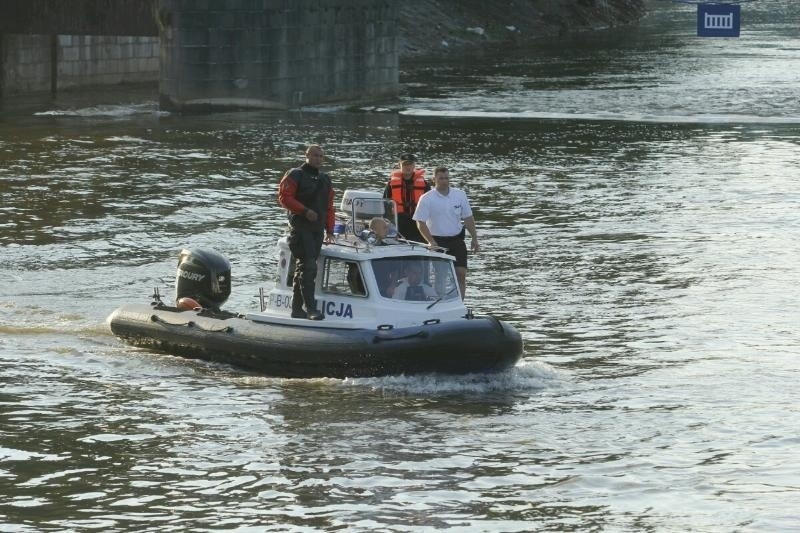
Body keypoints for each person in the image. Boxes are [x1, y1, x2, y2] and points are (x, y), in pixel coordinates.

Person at [277, 145, 335, 320]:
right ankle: (311, 309)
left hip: (317, 229)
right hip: (301, 227)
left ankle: (296, 309)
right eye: (315, 155)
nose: (318, 159)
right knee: (309, 266)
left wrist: (330, 229)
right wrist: (304, 211)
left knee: (305, 267)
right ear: (307, 155)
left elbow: (329, 207)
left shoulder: (325, 179)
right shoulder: (295, 174)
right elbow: (284, 197)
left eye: (321, 156)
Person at [412, 167, 479, 299]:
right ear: (434, 180)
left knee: (461, 273)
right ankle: (441, 302)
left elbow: (468, 218)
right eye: (441, 178)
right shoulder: (427, 198)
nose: (444, 181)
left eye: (447, 178)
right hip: (438, 241)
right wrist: (431, 241)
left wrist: (474, 238)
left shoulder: (459, 195)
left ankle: (460, 303)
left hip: (456, 239)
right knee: (440, 275)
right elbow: (420, 222)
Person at [383, 153, 430, 243]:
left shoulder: (424, 184)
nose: (408, 167)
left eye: (410, 164)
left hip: (418, 222)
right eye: (405, 164)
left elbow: (430, 205)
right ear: (399, 165)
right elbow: (385, 204)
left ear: (414, 165)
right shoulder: (391, 184)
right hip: (399, 222)